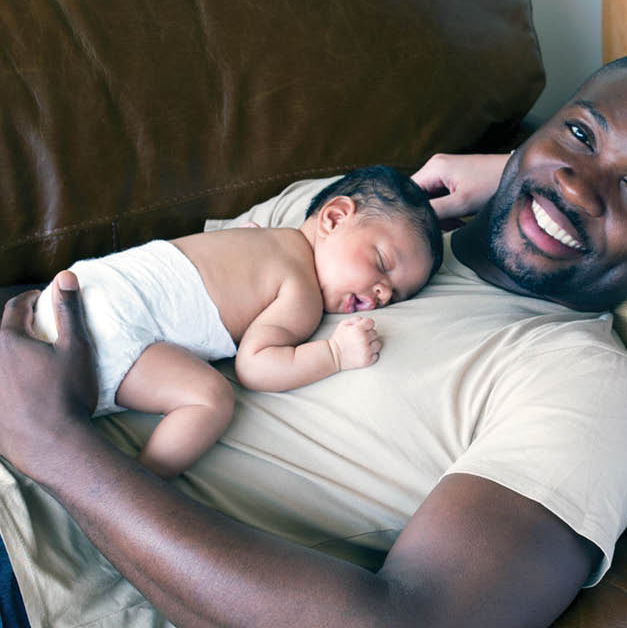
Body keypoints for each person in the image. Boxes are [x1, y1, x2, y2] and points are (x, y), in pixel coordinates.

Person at [0, 52, 627, 628]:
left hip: (35, 574)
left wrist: (58, 446)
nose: (576, 185)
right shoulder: (360, 216)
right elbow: (132, 290)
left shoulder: (586, 386)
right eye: (579, 133)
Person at [30, 165, 443, 478]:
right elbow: (255, 365)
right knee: (210, 399)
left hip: (81, 287)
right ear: (333, 218)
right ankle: (140, 485)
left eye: (397, 295)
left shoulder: (257, 235)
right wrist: (335, 353)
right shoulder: (301, 292)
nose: (383, 293)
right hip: (115, 326)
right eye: (382, 264)